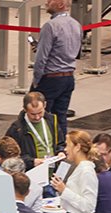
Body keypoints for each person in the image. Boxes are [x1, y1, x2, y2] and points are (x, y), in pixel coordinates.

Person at [31, 0, 81, 138]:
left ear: (60, 5)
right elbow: (76, 53)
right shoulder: (76, 24)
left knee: (38, 117)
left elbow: (41, 58)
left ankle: (39, 151)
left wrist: (36, 80)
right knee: (61, 117)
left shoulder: (50, 26)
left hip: (50, 78)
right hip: (68, 77)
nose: (47, 2)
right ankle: (60, 150)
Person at [5, 92, 65, 170]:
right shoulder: (17, 129)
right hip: (31, 173)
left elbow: (60, 143)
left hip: (53, 172)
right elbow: (9, 155)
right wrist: (31, 162)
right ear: (25, 109)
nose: (37, 117)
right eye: (33, 114)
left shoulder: (52, 121)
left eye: (40, 112)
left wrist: (61, 152)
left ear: (45, 105)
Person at [50, 130, 99, 213]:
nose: (65, 149)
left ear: (77, 147)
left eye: (67, 145)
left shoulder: (86, 171)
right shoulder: (80, 168)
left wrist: (64, 190)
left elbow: (88, 205)